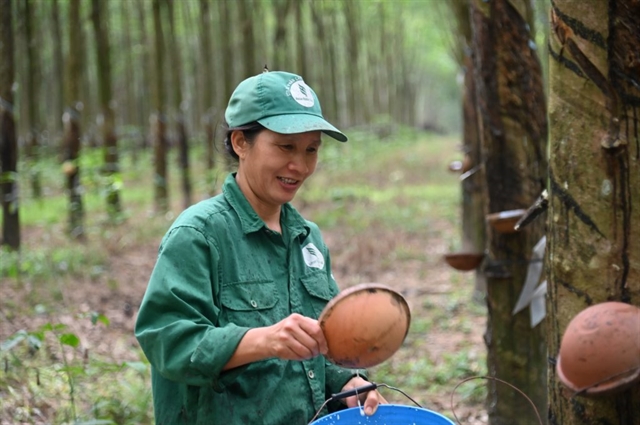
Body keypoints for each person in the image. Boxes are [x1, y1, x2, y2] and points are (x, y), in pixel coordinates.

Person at [135, 70, 387, 424]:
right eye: (286, 147)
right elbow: (167, 339)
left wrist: (348, 382)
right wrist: (263, 341)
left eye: (311, 149)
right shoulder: (200, 234)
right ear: (241, 142)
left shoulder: (307, 237)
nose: (300, 166)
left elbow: (322, 345)